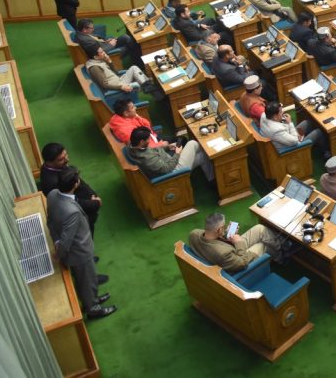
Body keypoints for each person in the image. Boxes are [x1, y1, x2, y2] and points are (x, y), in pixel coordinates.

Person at [47, 169, 116, 319]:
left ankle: (91, 299)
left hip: (77, 251)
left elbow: (50, 220)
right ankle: (93, 309)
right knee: (86, 280)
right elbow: (66, 240)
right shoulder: (72, 211)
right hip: (80, 252)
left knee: (85, 280)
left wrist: (56, 241)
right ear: (75, 184)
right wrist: (59, 254)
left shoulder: (52, 194)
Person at [188, 212, 283, 274]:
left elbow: (213, 238)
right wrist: (238, 243)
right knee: (262, 245)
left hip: (228, 248)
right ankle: (280, 257)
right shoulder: (222, 253)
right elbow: (242, 263)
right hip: (237, 259)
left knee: (260, 229)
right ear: (219, 229)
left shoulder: (194, 233)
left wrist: (226, 235)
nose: (224, 227)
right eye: (223, 227)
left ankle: (280, 245)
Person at [39, 143, 101, 236]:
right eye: (61, 159)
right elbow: (69, 202)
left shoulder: (56, 167)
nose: (67, 159)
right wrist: (95, 203)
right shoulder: (51, 184)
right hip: (82, 215)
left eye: (66, 155)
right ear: (49, 162)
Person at [125, 126, 213, 181]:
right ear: (141, 142)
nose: (149, 140)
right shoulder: (147, 159)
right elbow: (167, 168)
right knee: (192, 143)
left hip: (169, 161)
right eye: (148, 139)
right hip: (173, 172)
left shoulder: (134, 146)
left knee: (202, 155)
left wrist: (168, 147)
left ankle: (212, 179)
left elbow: (152, 150)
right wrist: (177, 154)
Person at [261, 101, 330, 160]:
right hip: (292, 149)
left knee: (308, 123)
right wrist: (290, 123)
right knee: (318, 132)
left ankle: (314, 145)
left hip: (286, 137)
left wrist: (284, 121)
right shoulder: (276, 130)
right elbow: (295, 141)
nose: (283, 112)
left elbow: (281, 126)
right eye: (281, 112)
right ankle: (326, 154)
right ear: (275, 117)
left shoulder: (264, 115)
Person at [84, 45, 151, 96]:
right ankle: (149, 86)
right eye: (101, 52)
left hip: (119, 80)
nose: (104, 53)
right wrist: (121, 87)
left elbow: (116, 73)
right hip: (117, 87)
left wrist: (109, 61)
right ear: (95, 57)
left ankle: (148, 85)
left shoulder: (98, 60)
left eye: (103, 50)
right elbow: (105, 85)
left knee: (134, 68)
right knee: (138, 83)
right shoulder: (95, 68)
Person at [75, 18, 142, 68]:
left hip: (104, 44)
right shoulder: (86, 41)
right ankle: (139, 63)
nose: (93, 29)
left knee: (125, 37)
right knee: (130, 46)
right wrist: (111, 44)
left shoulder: (83, 33)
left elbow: (96, 40)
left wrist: (106, 41)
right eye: (91, 28)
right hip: (107, 53)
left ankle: (138, 54)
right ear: (84, 29)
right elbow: (100, 53)